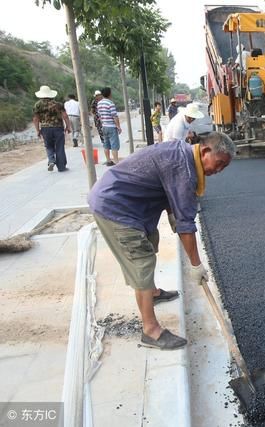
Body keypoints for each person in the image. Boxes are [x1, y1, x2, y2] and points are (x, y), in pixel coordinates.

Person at [88, 132, 235, 350]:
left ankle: (153, 293)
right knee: (141, 259)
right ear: (205, 151)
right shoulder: (184, 171)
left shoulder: (184, 154)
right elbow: (185, 223)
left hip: (132, 203)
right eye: (219, 163)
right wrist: (196, 265)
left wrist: (177, 217)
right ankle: (150, 331)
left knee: (150, 241)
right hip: (115, 206)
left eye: (224, 167)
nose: (219, 171)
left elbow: (174, 207)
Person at [32, 85, 71, 172]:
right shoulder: (58, 104)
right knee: (60, 147)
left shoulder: (37, 105)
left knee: (48, 146)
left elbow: (36, 118)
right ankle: (61, 167)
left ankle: (51, 160)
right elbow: (65, 116)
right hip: (58, 128)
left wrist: (38, 130)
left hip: (45, 128)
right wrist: (68, 126)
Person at [97, 87, 122, 166]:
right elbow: (114, 116)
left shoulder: (99, 103)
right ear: (109, 93)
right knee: (114, 144)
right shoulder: (110, 103)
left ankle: (108, 161)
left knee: (106, 144)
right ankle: (116, 162)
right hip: (111, 126)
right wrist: (118, 126)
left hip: (104, 126)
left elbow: (100, 116)